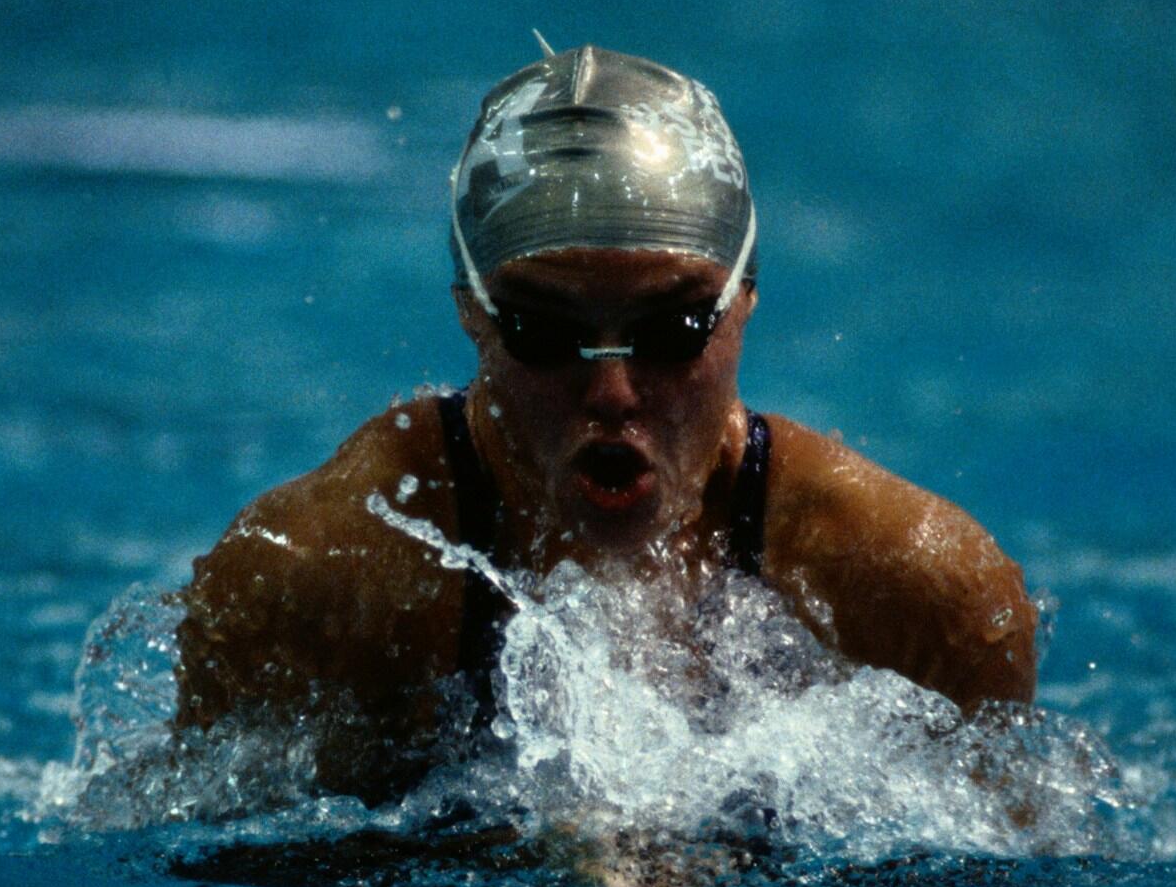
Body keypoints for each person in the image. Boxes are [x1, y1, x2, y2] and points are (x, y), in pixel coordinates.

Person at [174, 43, 1036, 804]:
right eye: (546, 333)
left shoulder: (917, 592)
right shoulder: (318, 577)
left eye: (673, 331)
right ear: (472, 316)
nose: (615, 392)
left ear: (745, 303)